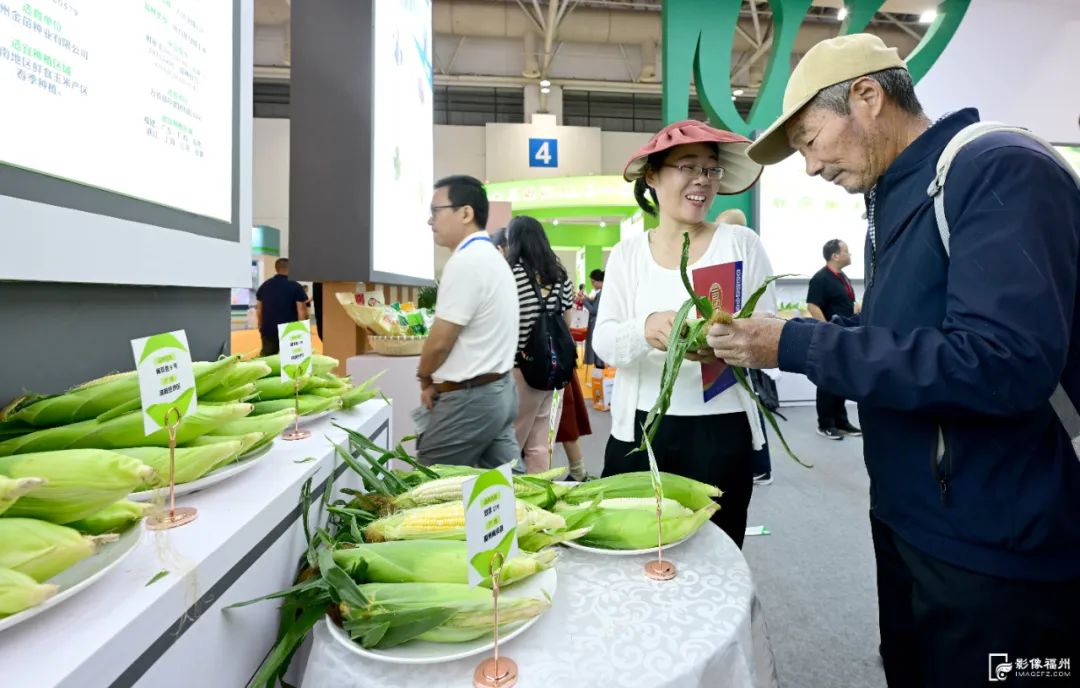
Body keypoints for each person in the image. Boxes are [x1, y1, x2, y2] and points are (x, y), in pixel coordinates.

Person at [706, 33, 1080, 686]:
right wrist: (834, 330)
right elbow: (922, 337)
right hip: (910, 523)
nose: (812, 167)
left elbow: (1000, 362)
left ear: (868, 96)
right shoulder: (898, 197)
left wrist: (796, 345)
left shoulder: (997, 170)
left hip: (993, 547)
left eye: (810, 141)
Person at [593, 119, 772, 548]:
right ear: (652, 175)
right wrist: (646, 328)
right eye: (687, 166)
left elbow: (771, 335)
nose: (702, 180)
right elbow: (605, 342)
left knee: (717, 552)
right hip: (642, 430)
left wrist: (732, 345)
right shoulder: (628, 254)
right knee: (633, 551)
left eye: (711, 169)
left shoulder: (741, 244)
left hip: (722, 428)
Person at [415, 175, 520, 468]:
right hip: (497, 389)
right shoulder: (491, 258)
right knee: (506, 485)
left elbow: (439, 342)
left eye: (436, 211)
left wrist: (424, 377)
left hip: (471, 399)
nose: (430, 221)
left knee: (431, 476)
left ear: (465, 213)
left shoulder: (467, 262)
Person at [505, 215, 576, 473]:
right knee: (541, 444)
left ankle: (509, 503)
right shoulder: (560, 275)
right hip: (557, 368)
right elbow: (567, 321)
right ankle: (538, 500)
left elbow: (505, 323)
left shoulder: (511, 274)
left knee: (512, 440)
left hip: (521, 368)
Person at [806, 239, 861, 440]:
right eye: (846, 251)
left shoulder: (842, 277)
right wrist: (826, 329)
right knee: (827, 379)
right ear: (835, 255)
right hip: (830, 337)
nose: (850, 254)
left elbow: (845, 304)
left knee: (841, 378)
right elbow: (813, 305)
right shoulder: (821, 278)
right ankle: (825, 424)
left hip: (844, 336)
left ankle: (841, 421)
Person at [255, 258, 308, 356]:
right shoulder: (295, 286)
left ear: (276, 269)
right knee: (290, 361)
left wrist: (260, 324)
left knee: (268, 360)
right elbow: (301, 311)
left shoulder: (265, 286)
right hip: (290, 331)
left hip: (268, 329)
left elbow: (259, 309)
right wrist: (303, 330)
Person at [581, 269, 605, 369]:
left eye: (593, 282)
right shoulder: (601, 293)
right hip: (597, 324)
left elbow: (594, 311)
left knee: (597, 352)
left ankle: (599, 374)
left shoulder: (601, 294)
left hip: (596, 324)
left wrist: (584, 301)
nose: (592, 284)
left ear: (600, 281)